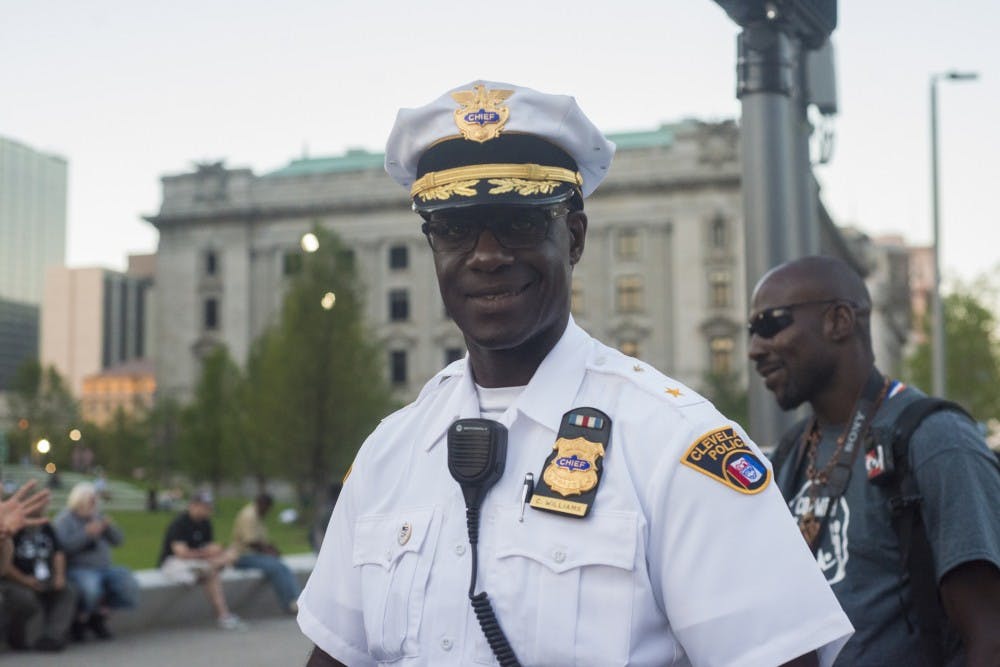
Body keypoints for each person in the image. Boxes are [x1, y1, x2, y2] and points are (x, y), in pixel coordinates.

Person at [298, 80, 853, 667]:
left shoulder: (675, 443)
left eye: (518, 223)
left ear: (576, 238)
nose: (486, 255)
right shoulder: (390, 453)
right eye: (456, 228)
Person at [747, 255, 1000, 666]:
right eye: (751, 331)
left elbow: (990, 637)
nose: (754, 349)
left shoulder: (936, 440)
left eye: (771, 324)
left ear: (839, 321)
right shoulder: (791, 454)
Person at [53, 482, 139, 641]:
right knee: (91, 588)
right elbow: (61, 547)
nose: (94, 504)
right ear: (78, 501)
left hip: (104, 568)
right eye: (90, 501)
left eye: (95, 501)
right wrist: (86, 534)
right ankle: (81, 621)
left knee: (127, 583)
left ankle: (99, 616)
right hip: (79, 569)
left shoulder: (97, 517)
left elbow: (119, 541)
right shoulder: (65, 520)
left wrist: (108, 527)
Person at [0, 491, 76, 651]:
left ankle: (52, 637)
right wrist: (24, 580)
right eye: (39, 502)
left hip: (42, 577)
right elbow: (5, 569)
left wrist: (59, 576)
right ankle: (16, 637)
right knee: (25, 600)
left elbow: (58, 552)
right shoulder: (13, 525)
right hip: (17, 581)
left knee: (68, 591)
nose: (43, 506)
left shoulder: (45, 526)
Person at [158, 492, 245, 631]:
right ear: (193, 506)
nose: (208, 510)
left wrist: (217, 552)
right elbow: (181, 553)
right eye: (204, 507)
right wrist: (208, 553)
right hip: (174, 563)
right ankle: (223, 615)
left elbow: (205, 547)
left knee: (226, 558)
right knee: (211, 571)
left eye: (209, 507)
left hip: (198, 562)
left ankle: (223, 614)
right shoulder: (180, 523)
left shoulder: (205, 523)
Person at [230, 492, 300, 614]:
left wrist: (271, 549)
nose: (268, 512)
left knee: (282, 567)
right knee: (276, 567)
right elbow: (251, 542)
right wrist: (268, 551)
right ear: (263, 505)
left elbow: (260, 540)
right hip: (242, 556)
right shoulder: (249, 516)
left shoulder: (257, 514)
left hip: (253, 554)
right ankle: (289, 603)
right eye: (268, 508)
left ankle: (296, 600)